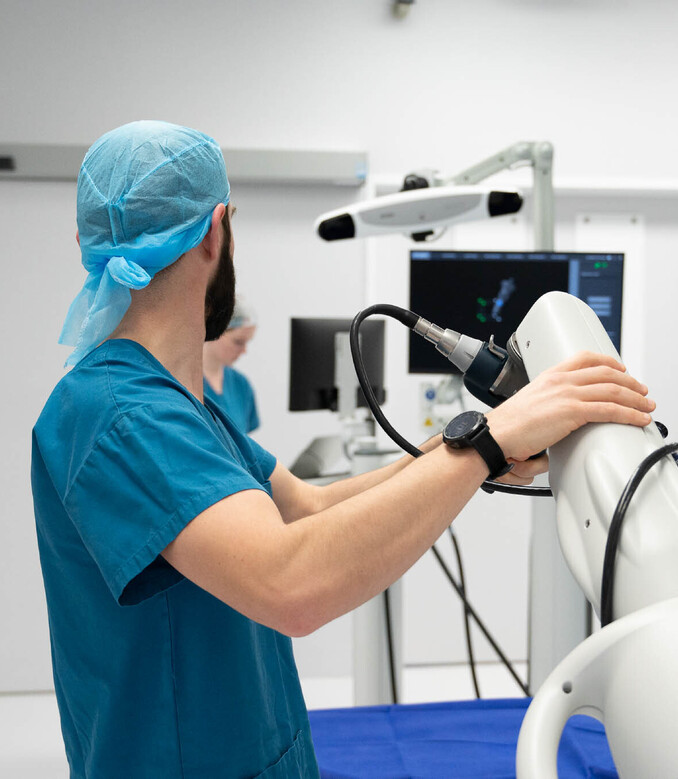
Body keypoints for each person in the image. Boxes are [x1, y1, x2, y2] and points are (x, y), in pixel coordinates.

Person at [31, 121, 655, 779]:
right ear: (217, 230)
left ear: (84, 242)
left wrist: (472, 453)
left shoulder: (177, 404)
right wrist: (486, 444)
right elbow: (289, 581)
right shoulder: (118, 414)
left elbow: (306, 506)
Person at [203, 297, 260, 433]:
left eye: (247, 342)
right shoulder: (183, 382)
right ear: (215, 330)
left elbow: (244, 444)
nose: (244, 351)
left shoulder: (241, 384)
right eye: (239, 342)